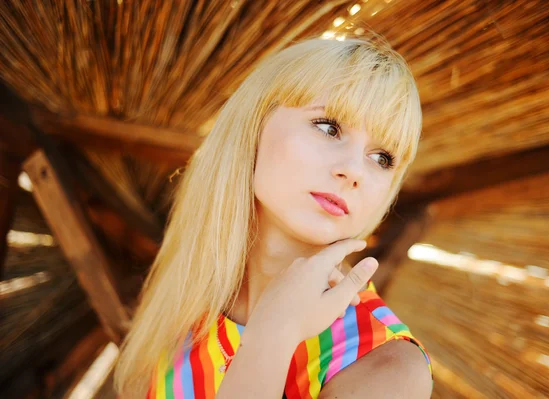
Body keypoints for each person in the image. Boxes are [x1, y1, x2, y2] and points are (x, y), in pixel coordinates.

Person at [114, 35, 433, 398]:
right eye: (329, 127)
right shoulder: (187, 300)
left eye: (382, 158)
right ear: (254, 124)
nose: (354, 170)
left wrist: (274, 332)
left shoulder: (387, 368)